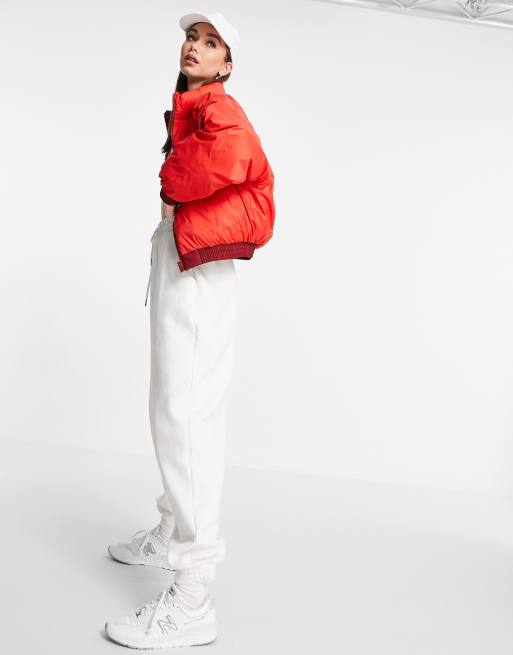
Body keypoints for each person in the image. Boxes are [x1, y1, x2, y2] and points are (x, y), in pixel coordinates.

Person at [104, 11, 275, 649]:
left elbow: (237, 155)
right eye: (191, 38)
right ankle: (172, 529)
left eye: (210, 43)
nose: (194, 47)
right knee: (171, 408)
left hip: (199, 275)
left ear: (227, 64)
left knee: (186, 420)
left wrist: (172, 180)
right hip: (184, 263)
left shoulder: (220, 111)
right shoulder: (193, 107)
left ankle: (193, 596)